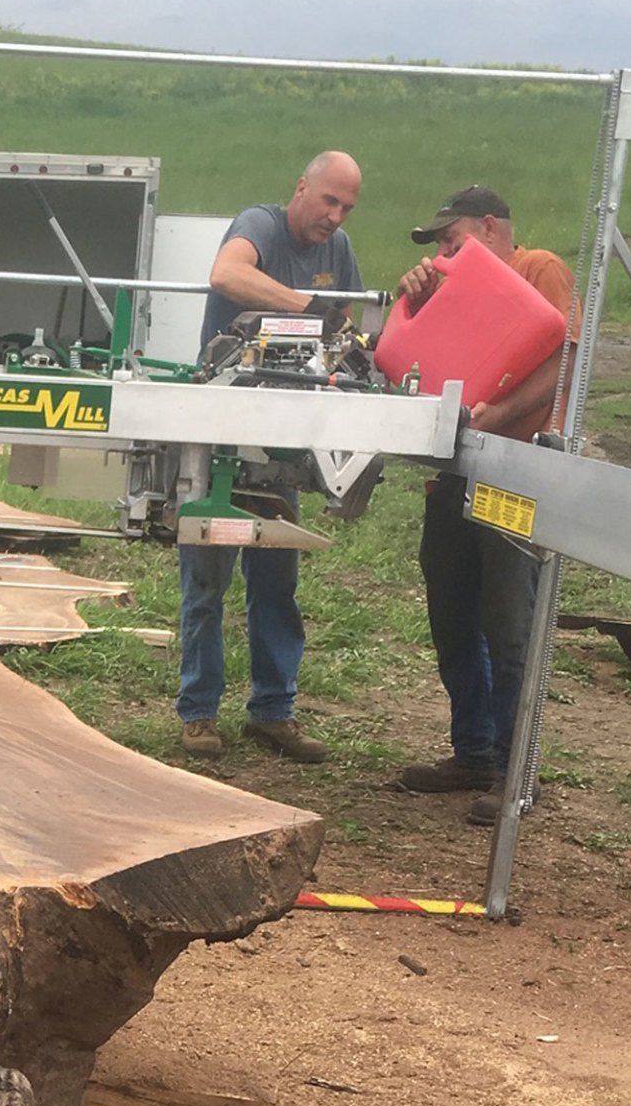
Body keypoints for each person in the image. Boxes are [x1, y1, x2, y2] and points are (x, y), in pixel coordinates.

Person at [391, 187, 577, 826]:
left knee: (508, 620)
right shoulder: (454, 288)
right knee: (451, 614)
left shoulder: (538, 269)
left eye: (452, 241)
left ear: (491, 228)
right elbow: (414, 361)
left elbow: (562, 365)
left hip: (515, 471)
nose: (444, 254)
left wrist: (496, 416)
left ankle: (514, 767)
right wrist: (416, 303)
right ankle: (473, 751)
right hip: (456, 471)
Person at [178, 151, 364, 764]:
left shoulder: (340, 251)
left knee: (277, 578)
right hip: (223, 429)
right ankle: (199, 714)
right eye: (329, 201)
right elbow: (227, 274)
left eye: (347, 208)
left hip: (282, 437)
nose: (335, 217)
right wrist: (304, 307)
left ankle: (273, 711)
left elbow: (346, 327)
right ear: (301, 188)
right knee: (207, 577)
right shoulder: (259, 225)